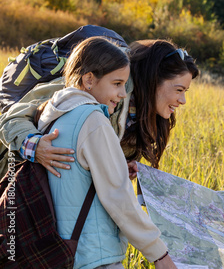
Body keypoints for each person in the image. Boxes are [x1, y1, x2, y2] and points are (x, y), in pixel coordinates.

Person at [34, 37, 174, 268]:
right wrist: (159, 254)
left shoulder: (51, 115)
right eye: (117, 83)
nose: (122, 94)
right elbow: (118, 197)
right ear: (89, 80)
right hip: (95, 255)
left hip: (60, 253)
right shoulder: (94, 120)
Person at [0, 38, 199, 179]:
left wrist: (120, 167)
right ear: (154, 80)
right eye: (179, 90)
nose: (183, 100)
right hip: (13, 180)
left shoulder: (143, 116)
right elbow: (11, 118)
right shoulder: (100, 82)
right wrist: (36, 147)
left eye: (185, 91)